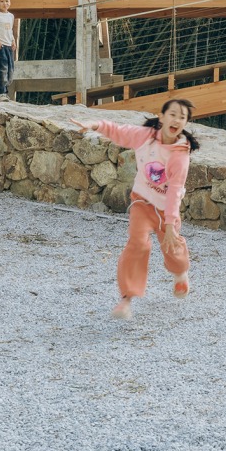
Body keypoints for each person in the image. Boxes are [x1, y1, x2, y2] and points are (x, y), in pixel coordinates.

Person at [70, 100, 199, 319]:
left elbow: (175, 191)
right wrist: (94, 125)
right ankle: (126, 298)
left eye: (182, 117)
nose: (176, 120)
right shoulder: (146, 136)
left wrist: (169, 224)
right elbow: (120, 131)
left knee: (172, 247)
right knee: (137, 244)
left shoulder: (180, 155)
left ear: (185, 123)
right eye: (172, 114)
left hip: (166, 208)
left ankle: (180, 273)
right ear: (161, 117)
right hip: (142, 201)